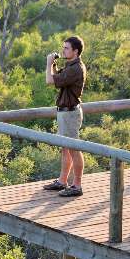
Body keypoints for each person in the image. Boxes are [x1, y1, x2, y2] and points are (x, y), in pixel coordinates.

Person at [42, 36, 87, 197]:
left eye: (67, 48)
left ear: (75, 51)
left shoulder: (76, 69)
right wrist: (53, 65)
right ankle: (63, 181)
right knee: (65, 148)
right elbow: (56, 79)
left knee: (74, 148)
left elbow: (49, 81)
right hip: (65, 112)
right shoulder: (71, 66)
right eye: (63, 47)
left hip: (70, 113)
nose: (63, 50)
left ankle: (77, 185)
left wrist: (48, 64)